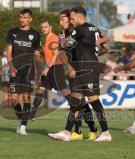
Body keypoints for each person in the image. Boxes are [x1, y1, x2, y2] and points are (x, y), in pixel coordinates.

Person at [48, 6, 112, 142]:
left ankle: (106, 133)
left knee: (94, 100)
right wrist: (97, 47)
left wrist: (61, 40)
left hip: (87, 67)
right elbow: (106, 40)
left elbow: (65, 44)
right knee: (75, 101)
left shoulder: (79, 28)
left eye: (72, 18)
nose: (71, 21)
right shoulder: (93, 27)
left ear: (79, 16)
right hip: (84, 66)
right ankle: (66, 132)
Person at [56, 9, 99, 141]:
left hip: (80, 70)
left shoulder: (77, 31)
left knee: (80, 102)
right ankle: (83, 131)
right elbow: (62, 53)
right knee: (78, 102)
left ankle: (85, 130)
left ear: (70, 19)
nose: (60, 21)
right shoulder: (65, 33)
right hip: (73, 70)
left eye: (62, 18)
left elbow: (102, 43)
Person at [30, 21, 75, 122]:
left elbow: (56, 54)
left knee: (64, 91)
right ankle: (31, 115)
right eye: (42, 27)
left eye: (45, 27)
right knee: (40, 90)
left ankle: (77, 109)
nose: (43, 29)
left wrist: (47, 68)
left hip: (56, 68)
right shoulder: (46, 39)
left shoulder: (53, 37)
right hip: (50, 69)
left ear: (50, 27)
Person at [6, 9, 41, 135]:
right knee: (13, 100)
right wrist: (11, 66)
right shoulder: (12, 32)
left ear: (30, 19)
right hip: (15, 69)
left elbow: (37, 55)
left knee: (26, 97)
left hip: (29, 70)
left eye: (25, 17)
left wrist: (38, 73)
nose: (22, 19)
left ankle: (23, 127)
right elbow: (8, 52)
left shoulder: (35, 34)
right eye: (21, 17)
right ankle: (21, 119)